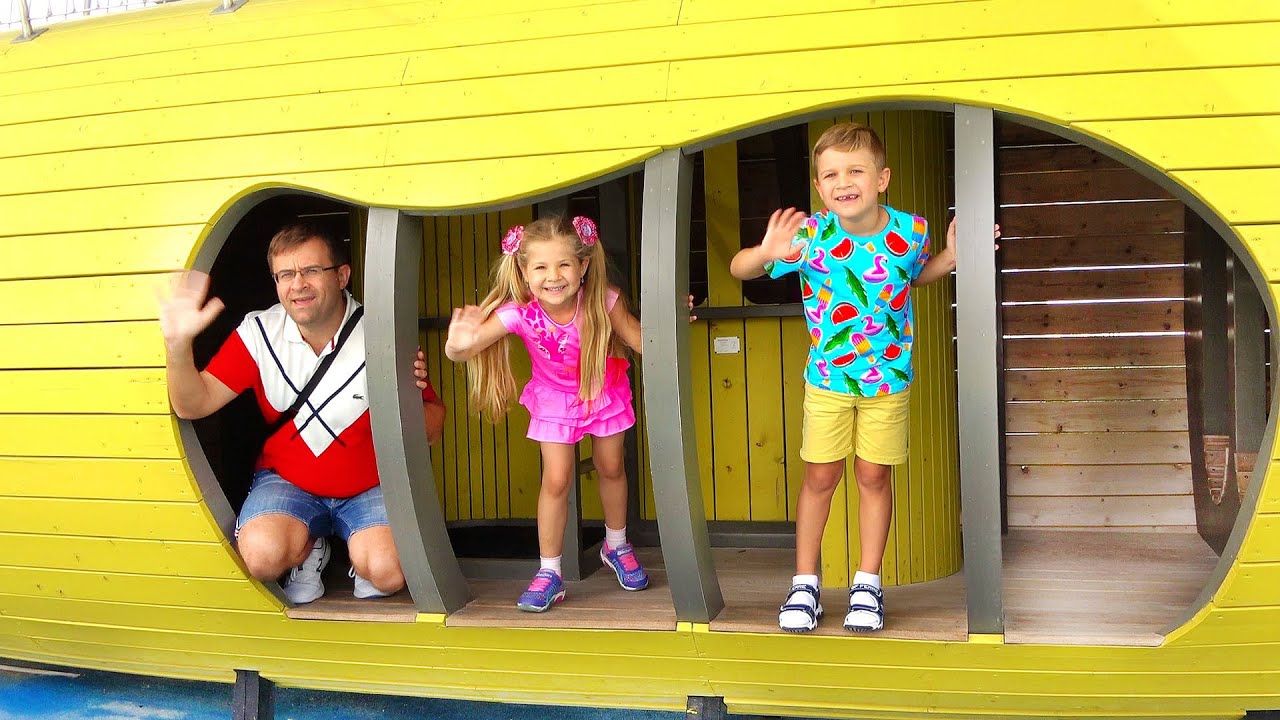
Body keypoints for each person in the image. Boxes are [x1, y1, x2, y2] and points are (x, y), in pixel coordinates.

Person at [730, 122, 998, 633]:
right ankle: (805, 584)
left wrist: (955, 257)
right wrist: (766, 252)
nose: (842, 181)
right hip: (828, 381)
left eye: (855, 170)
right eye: (830, 173)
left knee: (874, 477)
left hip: (888, 384)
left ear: (882, 179)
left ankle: (867, 585)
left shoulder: (913, 231)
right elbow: (740, 268)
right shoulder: (808, 237)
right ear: (818, 186)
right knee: (820, 478)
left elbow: (915, 274)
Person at [160, 222, 445, 605]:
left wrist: (402, 406)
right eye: (285, 274)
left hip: (370, 484)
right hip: (288, 481)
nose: (298, 284)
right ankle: (311, 547)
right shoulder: (259, 331)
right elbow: (192, 404)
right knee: (260, 557)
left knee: (388, 571)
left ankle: (357, 556)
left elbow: (432, 426)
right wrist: (178, 347)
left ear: (342, 275)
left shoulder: (381, 332)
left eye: (311, 270)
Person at [443, 215, 648, 612]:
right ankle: (550, 571)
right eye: (540, 266)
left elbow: (642, 341)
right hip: (554, 400)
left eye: (564, 264)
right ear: (523, 271)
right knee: (556, 480)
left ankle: (616, 545)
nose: (553, 276)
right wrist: (456, 345)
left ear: (584, 266)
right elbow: (464, 350)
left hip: (603, 391)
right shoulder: (520, 312)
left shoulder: (605, 299)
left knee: (611, 467)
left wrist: (672, 323)